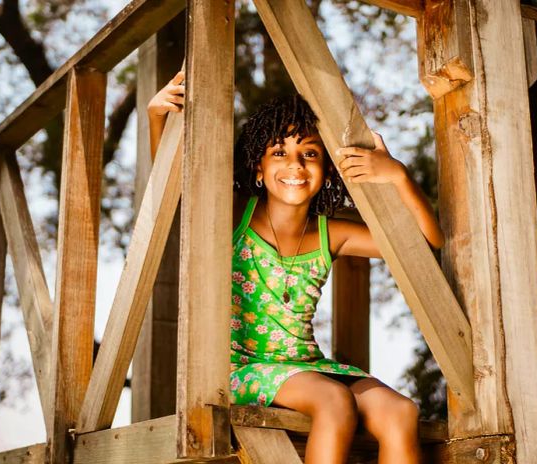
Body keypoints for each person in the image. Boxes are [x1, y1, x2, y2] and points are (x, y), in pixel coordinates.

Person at [148, 70, 444, 464]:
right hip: (239, 369)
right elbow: (178, 189)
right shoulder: (235, 214)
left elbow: (425, 244)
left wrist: (398, 175)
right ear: (258, 167)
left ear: (326, 170)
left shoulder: (331, 234)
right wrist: (157, 118)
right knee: (335, 401)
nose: (295, 165)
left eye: (309, 153)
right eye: (279, 153)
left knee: (400, 412)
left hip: (306, 366)